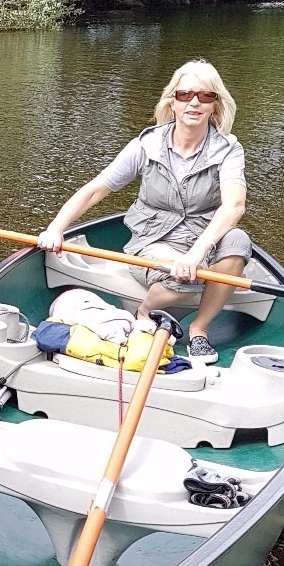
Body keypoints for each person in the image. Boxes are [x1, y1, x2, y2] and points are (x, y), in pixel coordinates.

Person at [37, 58, 250, 364]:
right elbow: (96, 189)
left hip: (203, 238)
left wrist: (196, 253)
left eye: (205, 96)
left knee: (238, 242)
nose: (194, 103)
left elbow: (234, 205)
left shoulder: (228, 149)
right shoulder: (146, 145)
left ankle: (199, 330)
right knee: (182, 277)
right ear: (172, 101)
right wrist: (56, 228)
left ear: (215, 105)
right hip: (153, 238)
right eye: (184, 95)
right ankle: (145, 311)